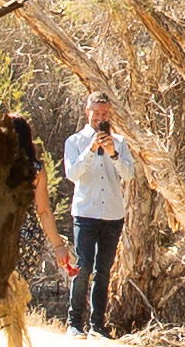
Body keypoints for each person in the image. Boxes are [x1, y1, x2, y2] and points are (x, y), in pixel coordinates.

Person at [58, 93, 139, 334]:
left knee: (104, 270)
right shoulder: (75, 142)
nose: (100, 118)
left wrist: (113, 153)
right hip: (86, 212)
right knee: (84, 266)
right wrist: (92, 149)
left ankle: (97, 325)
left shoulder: (120, 143)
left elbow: (128, 175)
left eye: (104, 114)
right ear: (87, 112)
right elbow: (72, 173)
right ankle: (74, 323)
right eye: (96, 114)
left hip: (113, 214)